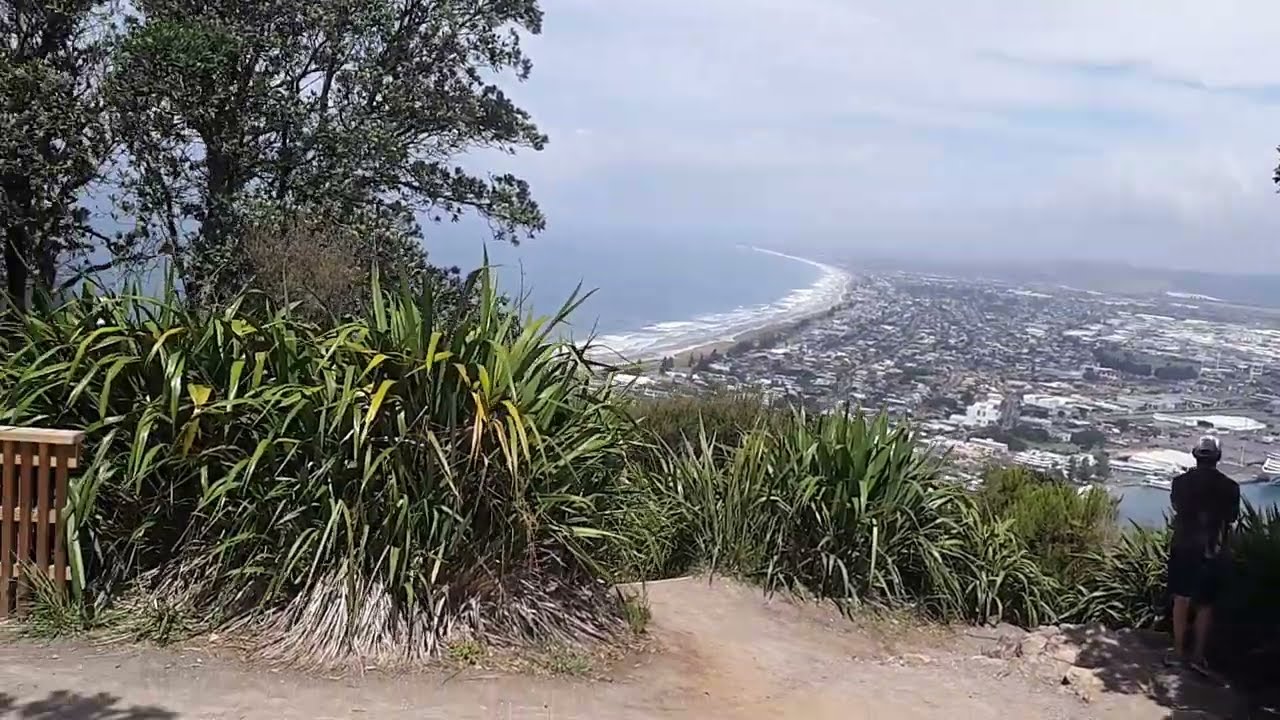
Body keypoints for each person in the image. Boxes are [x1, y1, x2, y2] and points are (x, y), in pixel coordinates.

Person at [1165, 435, 1240, 676]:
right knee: (1206, 604)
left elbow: (1178, 507)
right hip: (1212, 548)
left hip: (1184, 546)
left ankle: (1178, 652)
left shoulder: (1180, 483)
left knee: (1181, 599)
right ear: (1218, 457)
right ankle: (1198, 655)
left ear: (1195, 455)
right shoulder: (1230, 487)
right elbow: (1231, 518)